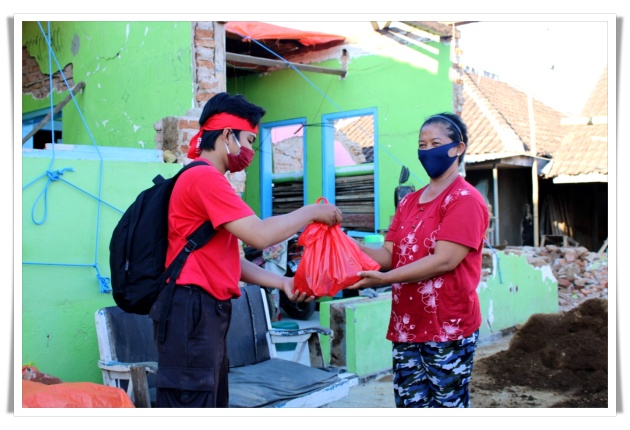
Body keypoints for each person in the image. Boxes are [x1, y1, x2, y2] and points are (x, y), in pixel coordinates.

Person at [148, 92, 343, 408]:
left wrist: (281, 282)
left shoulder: (209, 180)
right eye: (250, 140)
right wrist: (311, 212)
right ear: (227, 135)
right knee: (191, 405)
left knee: (209, 402)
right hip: (191, 310)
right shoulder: (204, 178)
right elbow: (260, 236)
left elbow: (230, 262)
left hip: (202, 312)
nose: (251, 151)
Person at [347, 112, 489, 408]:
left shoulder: (465, 199)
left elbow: (444, 261)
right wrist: (345, 243)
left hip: (447, 327)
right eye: (422, 145)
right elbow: (388, 255)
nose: (427, 151)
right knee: (411, 407)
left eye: (435, 143)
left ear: (458, 148)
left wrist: (385, 280)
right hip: (407, 324)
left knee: (446, 408)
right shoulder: (410, 201)